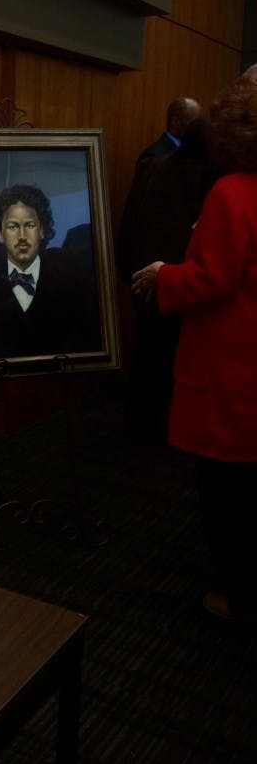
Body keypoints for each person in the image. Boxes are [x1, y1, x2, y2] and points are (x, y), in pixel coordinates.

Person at [131, 76, 257, 623]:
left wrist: (164, 275)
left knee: (226, 495)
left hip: (233, 367)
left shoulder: (233, 192)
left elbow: (212, 279)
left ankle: (240, 597)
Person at [117, 117, 217, 440]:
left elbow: (130, 220)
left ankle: (138, 426)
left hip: (144, 277)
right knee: (173, 367)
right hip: (182, 284)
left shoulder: (152, 166)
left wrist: (126, 271)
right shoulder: (213, 179)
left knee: (146, 359)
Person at [0, 184, 100, 360]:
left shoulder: (69, 275)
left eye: (29, 225)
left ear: (42, 230)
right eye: (12, 226)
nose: (22, 235)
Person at [134, 96, 201, 165]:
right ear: (176, 122)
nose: (199, 126)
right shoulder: (153, 156)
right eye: (194, 122)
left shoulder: (194, 151)